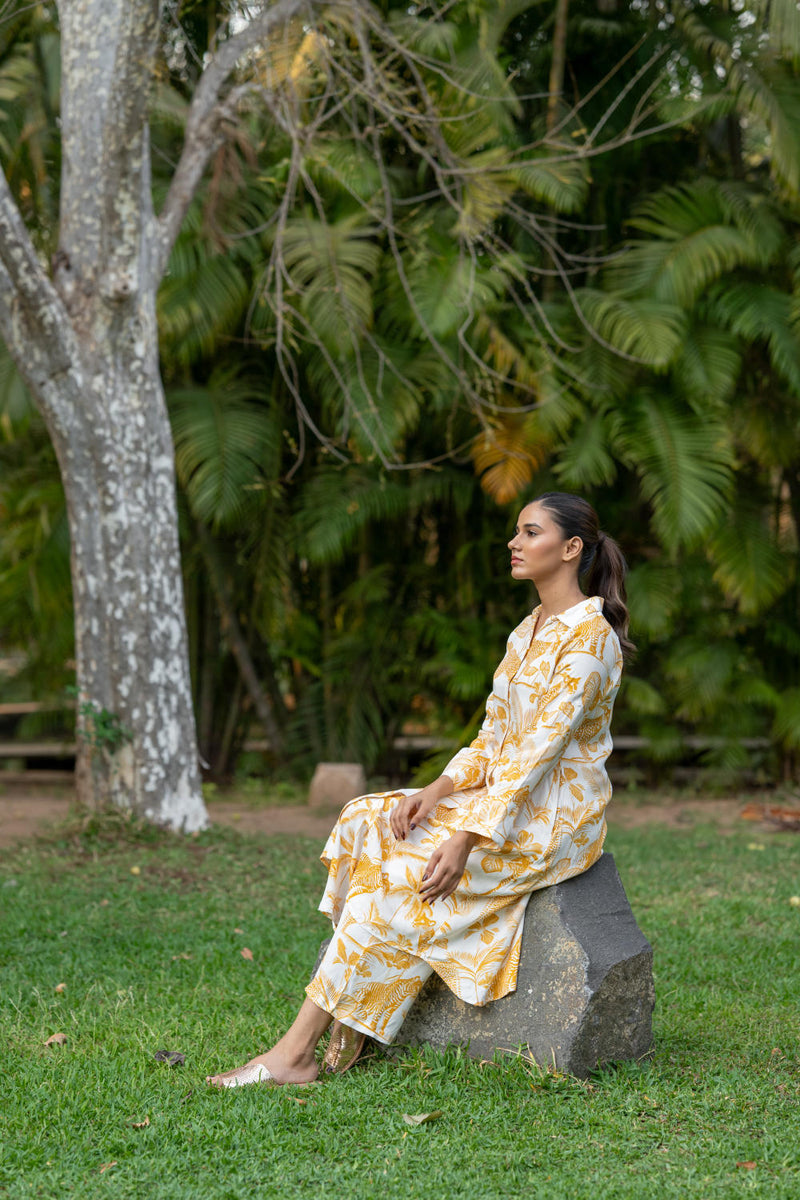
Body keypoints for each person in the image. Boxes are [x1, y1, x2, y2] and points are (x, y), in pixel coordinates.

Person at [207, 491, 634, 1087]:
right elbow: (493, 739)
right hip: (505, 797)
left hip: (552, 820)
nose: (513, 543)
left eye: (529, 533)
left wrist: (463, 836)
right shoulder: (528, 630)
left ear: (570, 549)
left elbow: (535, 757)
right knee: (366, 818)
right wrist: (434, 792)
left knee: (400, 879)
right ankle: (349, 1010)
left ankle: (298, 1052)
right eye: (516, 531)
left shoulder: (590, 640)